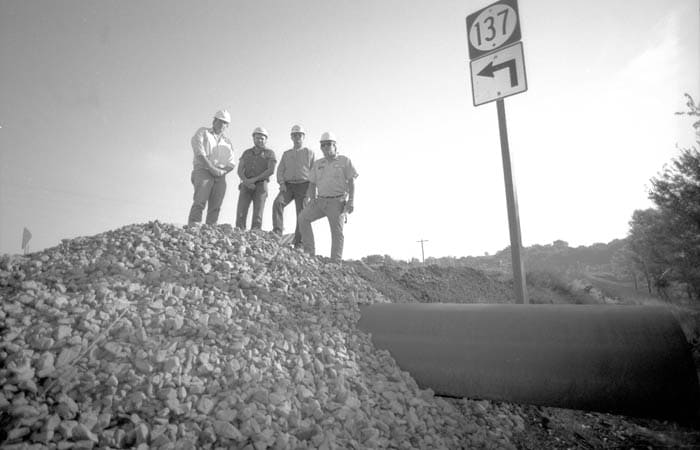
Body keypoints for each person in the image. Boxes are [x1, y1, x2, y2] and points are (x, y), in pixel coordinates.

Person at [298, 131, 358, 261]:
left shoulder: (344, 161)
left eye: (328, 144)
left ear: (335, 145)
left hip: (337, 202)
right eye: (323, 145)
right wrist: (312, 199)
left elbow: (352, 182)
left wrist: (351, 201)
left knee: (337, 232)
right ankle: (309, 252)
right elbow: (312, 184)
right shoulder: (318, 163)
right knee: (303, 218)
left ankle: (335, 261)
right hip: (320, 201)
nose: (325, 148)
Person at [187, 109, 236, 226]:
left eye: (224, 122)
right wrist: (211, 168)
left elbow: (231, 163)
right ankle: (194, 224)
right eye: (219, 121)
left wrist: (222, 172)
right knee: (200, 200)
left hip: (220, 174)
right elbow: (199, 153)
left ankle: (210, 228)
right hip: (203, 170)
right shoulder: (203, 132)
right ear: (214, 121)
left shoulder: (227, 142)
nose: (221, 124)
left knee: (216, 204)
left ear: (227, 125)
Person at [272, 124, 315, 247]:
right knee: (278, 203)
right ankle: (277, 233)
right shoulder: (286, 154)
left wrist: (311, 190)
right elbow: (280, 170)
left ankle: (299, 242)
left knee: (301, 213)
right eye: (295, 135)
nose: (297, 138)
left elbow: (314, 172)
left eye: (299, 135)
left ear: (303, 137)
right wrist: (281, 183)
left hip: (304, 185)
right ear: (291, 137)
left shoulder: (309, 152)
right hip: (288, 186)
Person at [235, 127, 276, 230]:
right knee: (241, 211)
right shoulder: (246, 153)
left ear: (266, 139)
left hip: (261, 185)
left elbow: (270, 170)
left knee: (258, 213)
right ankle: (239, 233)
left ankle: (255, 234)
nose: (260, 140)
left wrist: (254, 180)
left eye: (262, 138)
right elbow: (240, 169)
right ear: (253, 138)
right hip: (246, 183)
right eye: (257, 138)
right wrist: (246, 181)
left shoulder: (270, 153)